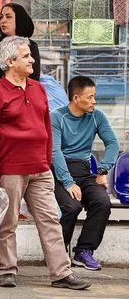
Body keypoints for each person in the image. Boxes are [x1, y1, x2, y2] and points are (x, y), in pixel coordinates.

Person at [0, 36, 90, 290]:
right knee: (8, 224)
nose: (32, 59)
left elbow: (47, 127)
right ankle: (7, 270)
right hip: (10, 171)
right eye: (26, 56)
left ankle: (61, 273)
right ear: (9, 62)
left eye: (31, 55)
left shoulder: (38, 89)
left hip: (40, 169)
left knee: (51, 220)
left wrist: (47, 159)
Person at [0, 3, 42, 206]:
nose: (3, 21)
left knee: (19, 162)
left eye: (8, 17)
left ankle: (17, 205)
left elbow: (34, 79)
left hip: (20, 111)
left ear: (20, 20)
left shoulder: (30, 47)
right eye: (1, 17)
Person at [51, 76, 118, 271]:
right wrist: (68, 182)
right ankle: (58, 253)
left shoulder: (97, 116)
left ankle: (83, 251)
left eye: (94, 97)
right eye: (90, 97)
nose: (94, 101)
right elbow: (55, 152)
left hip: (84, 170)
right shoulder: (56, 117)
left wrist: (103, 170)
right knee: (71, 207)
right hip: (59, 171)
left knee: (102, 202)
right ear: (75, 97)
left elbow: (113, 143)